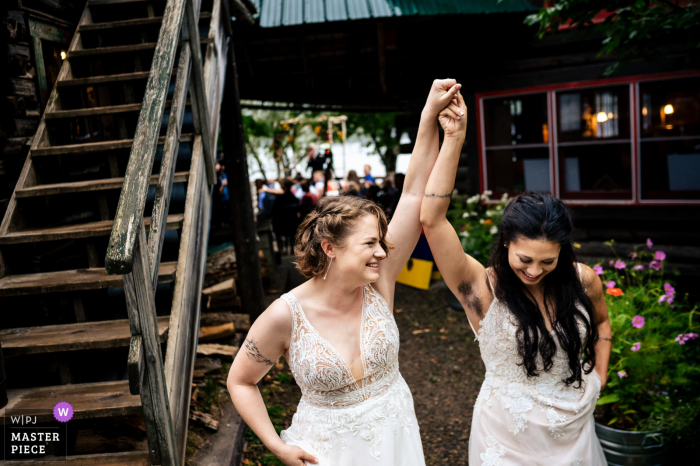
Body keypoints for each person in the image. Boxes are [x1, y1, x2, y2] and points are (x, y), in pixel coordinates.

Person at [227, 80, 464, 466]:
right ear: (330, 248)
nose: (382, 251)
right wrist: (276, 445)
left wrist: (428, 120)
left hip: (395, 439)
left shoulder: (380, 280)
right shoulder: (286, 315)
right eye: (369, 244)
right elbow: (240, 380)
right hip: (328, 452)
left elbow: (414, 194)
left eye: (381, 242)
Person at [419, 86, 611, 465]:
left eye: (548, 261)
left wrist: (599, 379)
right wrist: (454, 137)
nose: (535, 271)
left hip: (574, 427)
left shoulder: (583, 279)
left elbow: (602, 324)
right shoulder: (481, 288)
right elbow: (431, 219)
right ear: (506, 242)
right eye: (525, 259)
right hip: (506, 438)